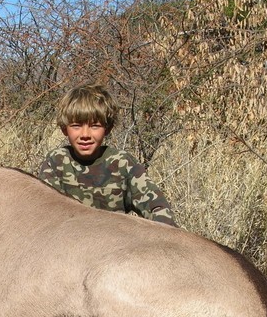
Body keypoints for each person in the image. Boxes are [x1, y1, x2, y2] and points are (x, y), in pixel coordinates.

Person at [38, 84, 176, 226]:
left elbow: (158, 208)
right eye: (76, 126)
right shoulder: (56, 162)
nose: (85, 135)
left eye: (95, 126)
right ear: (64, 129)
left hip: (117, 242)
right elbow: (43, 213)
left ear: (108, 128)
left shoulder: (122, 163)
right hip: (69, 241)